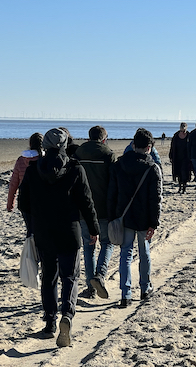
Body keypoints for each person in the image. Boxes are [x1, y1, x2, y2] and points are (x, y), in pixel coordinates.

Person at [18, 128, 100, 347]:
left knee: (49, 277)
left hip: (44, 231)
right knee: (70, 277)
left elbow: (22, 203)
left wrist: (32, 224)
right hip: (69, 231)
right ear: (65, 146)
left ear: (44, 145)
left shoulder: (33, 169)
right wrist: (94, 230)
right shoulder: (75, 169)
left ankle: (49, 323)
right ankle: (67, 315)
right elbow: (86, 202)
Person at [108, 128, 162, 308]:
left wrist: (113, 215)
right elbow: (156, 199)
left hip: (124, 216)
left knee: (125, 253)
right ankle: (145, 288)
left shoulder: (119, 164)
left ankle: (126, 293)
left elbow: (112, 194)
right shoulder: (152, 168)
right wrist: (154, 222)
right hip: (144, 217)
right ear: (149, 148)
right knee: (144, 252)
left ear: (133, 145)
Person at [74, 126, 117, 299]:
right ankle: (100, 275)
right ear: (104, 138)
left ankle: (91, 286)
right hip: (104, 206)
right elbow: (114, 182)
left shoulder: (78, 153)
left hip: (84, 207)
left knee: (88, 246)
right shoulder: (108, 154)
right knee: (107, 243)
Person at [7, 132, 43, 236]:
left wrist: (10, 204)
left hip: (25, 199)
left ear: (30, 144)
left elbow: (13, 184)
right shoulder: (45, 159)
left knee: (30, 230)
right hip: (42, 199)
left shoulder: (21, 160)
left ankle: (31, 250)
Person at [169, 122, 191, 193]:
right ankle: (180, 187)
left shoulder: (189, 135)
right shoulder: (176, 136)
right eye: (182, 126)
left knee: (184, 172)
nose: (182, 127)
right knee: (178, 173)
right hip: (177, 157)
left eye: (184, 126)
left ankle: (184, 187)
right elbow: (172, 147)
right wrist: (171, 156)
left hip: (186, 157)